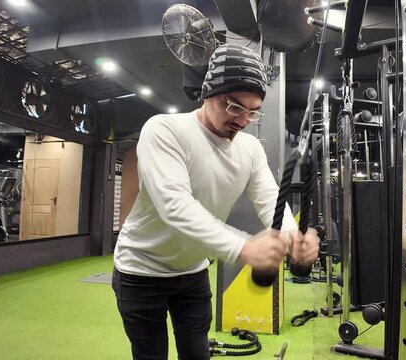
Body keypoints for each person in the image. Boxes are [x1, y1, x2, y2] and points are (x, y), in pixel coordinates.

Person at [112, 43, 319, 360]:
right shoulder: (165, 130)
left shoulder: (249, 148)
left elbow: (268, 198)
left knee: (197, 354)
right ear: (208, 93)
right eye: (235, 106)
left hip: (193, 273)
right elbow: (175, 205)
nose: (243, 120)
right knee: (150, 355)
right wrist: (245, 247)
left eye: (252, 111)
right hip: (141, 271)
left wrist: (293, 238)